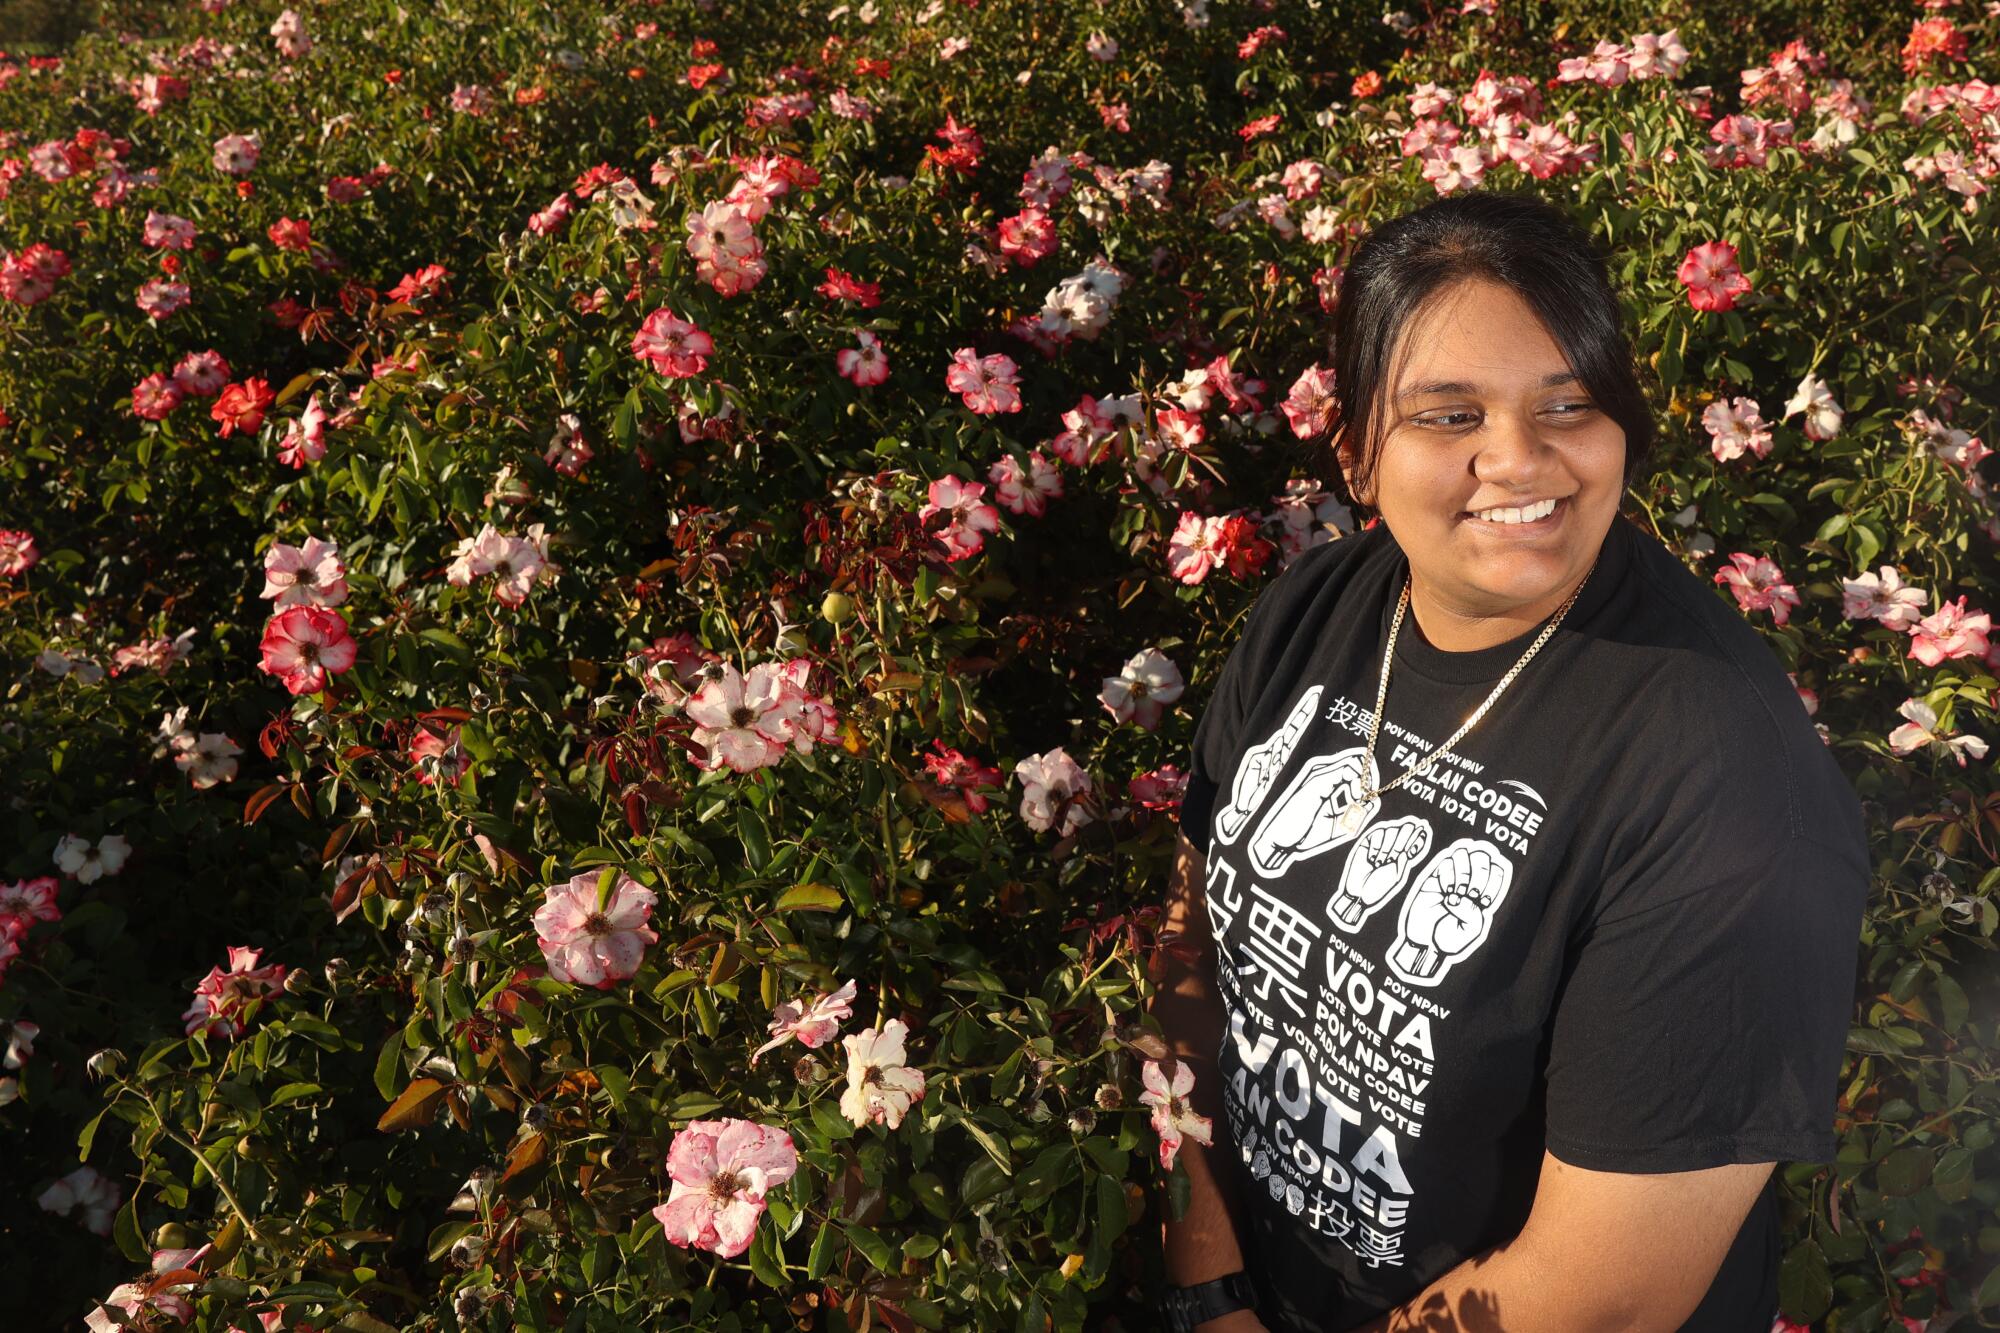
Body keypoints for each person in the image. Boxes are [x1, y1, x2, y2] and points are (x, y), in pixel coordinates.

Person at [1149, 190, 1868, 1333]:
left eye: (1567, 404)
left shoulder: (1725, 793)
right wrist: (1206, 1278)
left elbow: (1602, 1295)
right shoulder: (1315, 613)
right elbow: (1193, 941)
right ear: (1354, 454)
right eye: (1446, 415)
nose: (1517, 459)